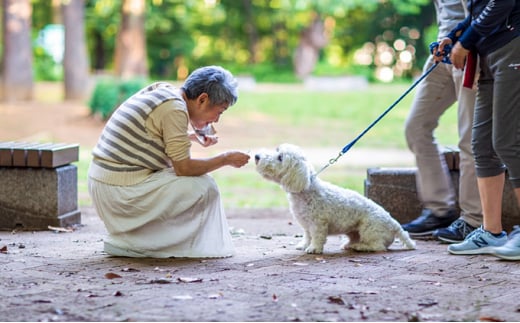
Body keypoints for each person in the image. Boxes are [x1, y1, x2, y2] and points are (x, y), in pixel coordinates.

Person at [87, 65, 250, 258]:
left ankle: (139, 240)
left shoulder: (165, 92)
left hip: (106, 183)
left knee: (195, 182)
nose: (216, 120)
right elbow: (184, 168)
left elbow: (151, 135)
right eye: (219, 112)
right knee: (203, 187)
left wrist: (189, 136)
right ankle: (141, 243)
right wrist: (226, 158)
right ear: (202, 99)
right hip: (118, 192)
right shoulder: (174, 109)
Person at [431, 0, 520, 258]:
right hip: (489, 54)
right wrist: (454, 36)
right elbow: (481, 11)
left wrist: (465, 42)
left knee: (509, 142)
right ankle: (491, 232)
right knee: (481, 145)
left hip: (512, 46)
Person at [402, 0, 482, 242]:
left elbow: (489, 11)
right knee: (416, 127)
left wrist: (465, 42)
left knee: (470, 139)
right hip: (443, 52)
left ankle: (474, 219)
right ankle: (440, 210)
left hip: (471, 52)